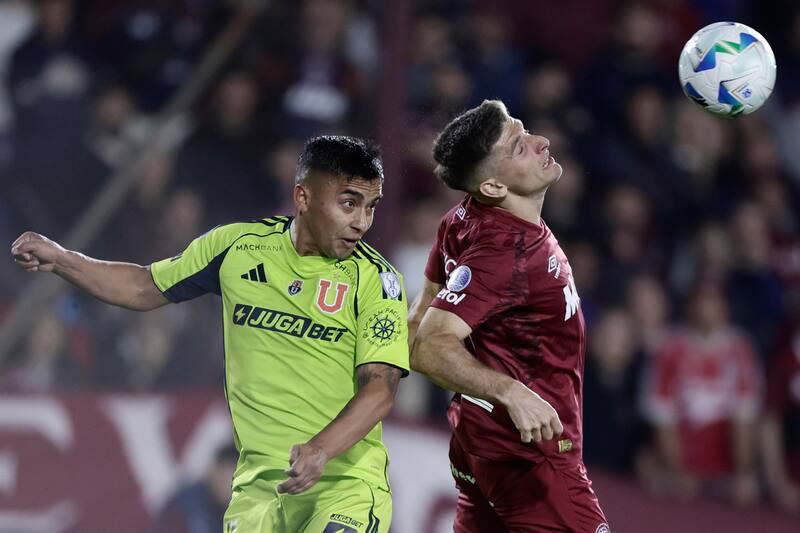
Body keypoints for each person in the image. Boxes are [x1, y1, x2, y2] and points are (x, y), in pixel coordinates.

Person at [11, 136, 409, 533]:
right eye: (349, 204)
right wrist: (62, 259)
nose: (362, 222)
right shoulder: (237, 248)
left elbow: (380, 388)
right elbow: (143, 287)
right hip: (259, 494)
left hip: (344, 489)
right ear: (303, 197)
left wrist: (321, 450)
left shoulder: (377, 280)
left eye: (370, 207)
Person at [408, 100, 609, 533]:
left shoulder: (460, 219)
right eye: (519, 146)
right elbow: (426, 345)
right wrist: (510, 392)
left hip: (480, 441)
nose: (542, 142)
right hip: (530, 456)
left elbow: (417, 320)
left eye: (526, 130)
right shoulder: (505, 252)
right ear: (494, 185)